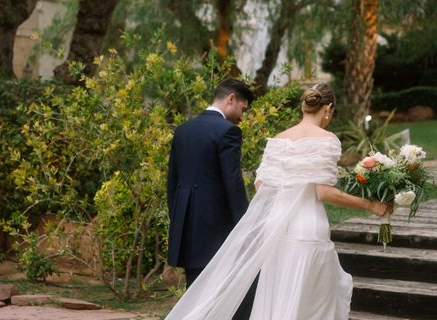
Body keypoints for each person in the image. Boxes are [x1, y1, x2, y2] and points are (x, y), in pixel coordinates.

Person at [165, 83, 391, 320]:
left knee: (275, 300)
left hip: (275, 232)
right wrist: (370, 205)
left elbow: (260, 185)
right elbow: (324, 193)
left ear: (304, 106)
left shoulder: (279, 139)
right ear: (328, 108)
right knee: (311, 303)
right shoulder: (327, 139)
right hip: (307, 229)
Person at [167, 78, 256, 319]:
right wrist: (246, 225)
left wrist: (177, 221)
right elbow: (233, 183)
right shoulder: (228, 131)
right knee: (234, 291)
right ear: (231, 99)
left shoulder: (184, 129)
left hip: (187, 228)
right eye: (242, 109)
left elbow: (172, 183)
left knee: (195, 293)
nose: (241, 117)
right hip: (218, 230)